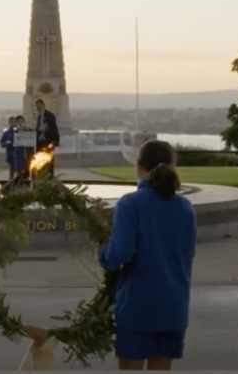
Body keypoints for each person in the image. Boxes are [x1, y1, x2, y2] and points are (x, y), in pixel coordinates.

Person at [98, 140, 197, 371]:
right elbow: (187, 252)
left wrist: (103, 252)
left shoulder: (129, 204)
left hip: (138, 305)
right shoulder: (185, 206)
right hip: (174, 304)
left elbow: (119, 254)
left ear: (139, 165)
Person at [34, 99, 59, 177]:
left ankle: (50, 177)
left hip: (48, 142)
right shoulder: (39, 116)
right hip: (40, 143)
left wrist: (46, 129)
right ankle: (41, 177)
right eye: (36, 106)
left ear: (43, 105)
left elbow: (54, 128)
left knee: (49, 161)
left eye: (38, 106)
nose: (37, 108)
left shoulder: (50, 115)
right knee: (40, 161)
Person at [13, 115, 33, 181]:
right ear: (16, 122)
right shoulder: (14, 131)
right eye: (19, 121)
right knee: (18, 171)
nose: (21, 122)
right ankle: (18, 184)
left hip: (28, 153)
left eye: (22, 120)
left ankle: (27, 184)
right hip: (19, 154)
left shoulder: (30, 130)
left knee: (27, 171)